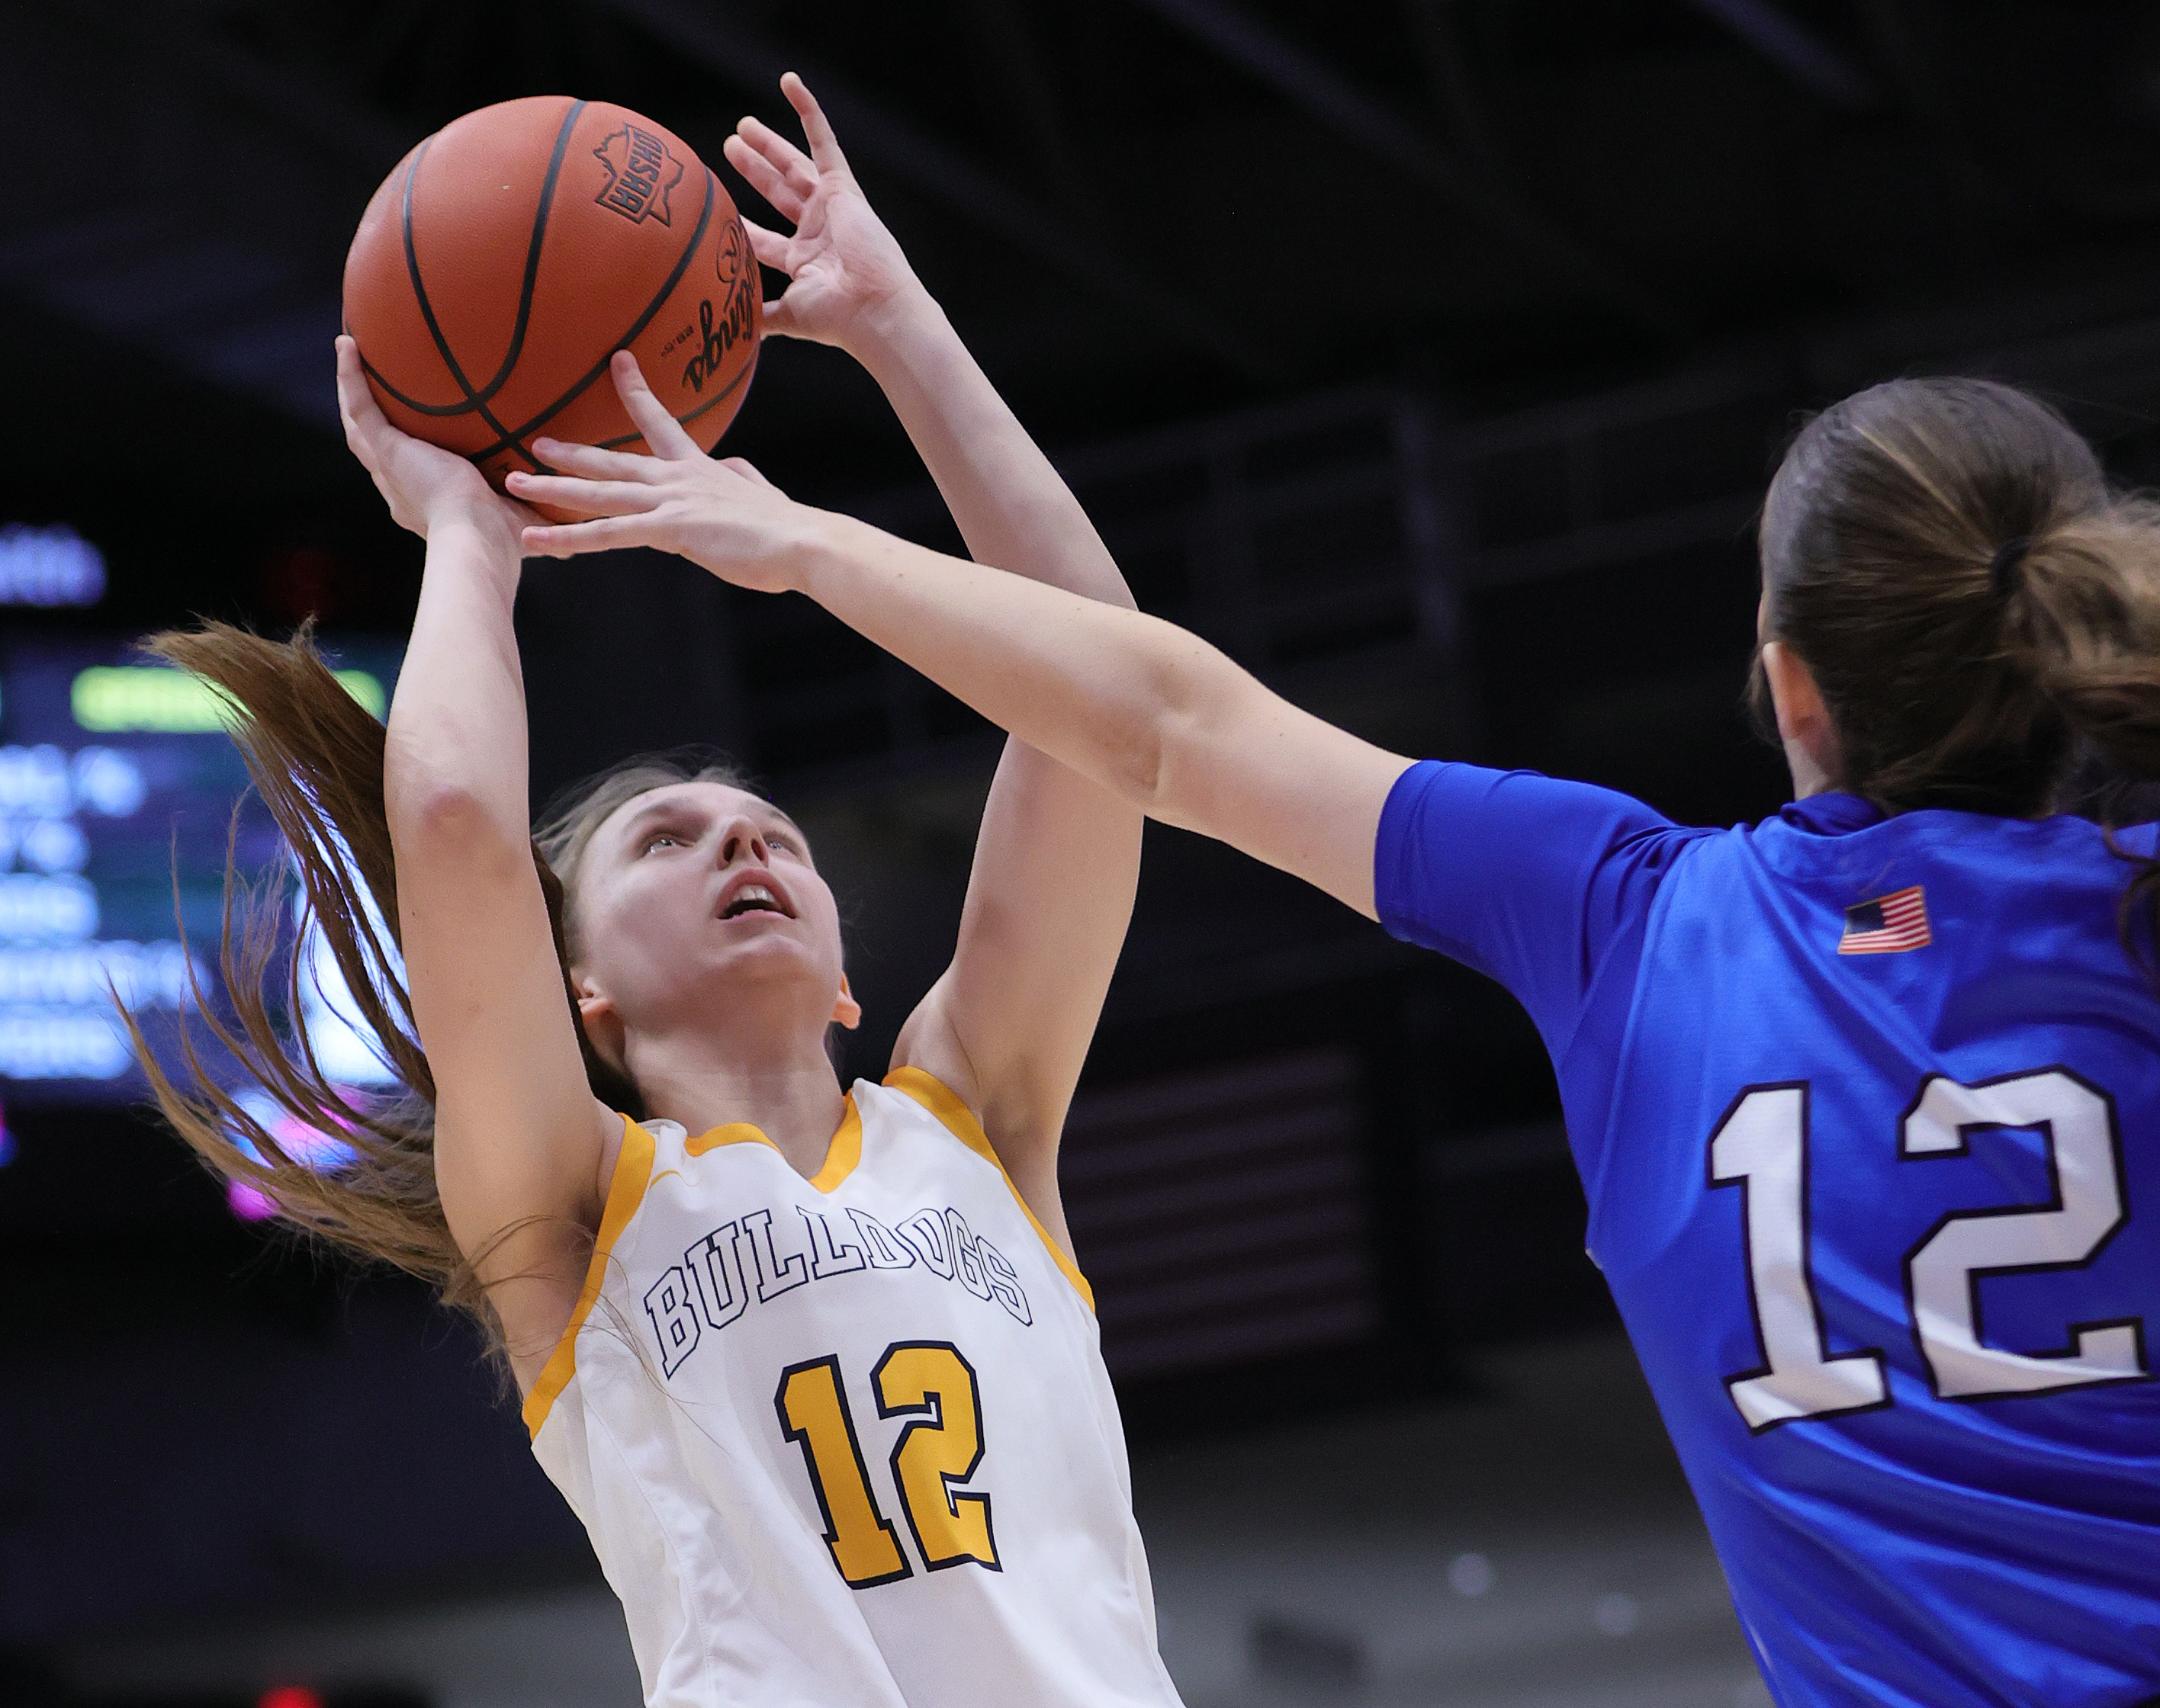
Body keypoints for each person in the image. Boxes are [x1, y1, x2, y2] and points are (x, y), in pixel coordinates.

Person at [516, 366, 2160, 1703]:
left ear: (1791, 686)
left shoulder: (1633, 919)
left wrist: (794, 539)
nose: (737, 847)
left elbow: (1159, 720)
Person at [133, 76, 1184, 1708]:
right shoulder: (570, 1207)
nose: (743, 843)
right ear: (579, 999)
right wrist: (465, 538)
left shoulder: (980, 1121)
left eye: (768, 830)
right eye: (666, 839)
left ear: (850, 977)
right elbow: (468, 823)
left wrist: (904, 330)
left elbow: (1108, 702)